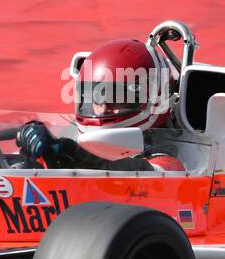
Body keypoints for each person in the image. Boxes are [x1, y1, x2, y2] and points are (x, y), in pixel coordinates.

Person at [15, 32, 189, 172]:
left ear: (156, 101)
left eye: (116, 97)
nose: (103, 107)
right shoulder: (71, 135)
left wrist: (67, 151)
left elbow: (147, 174)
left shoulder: (164, 158)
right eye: (96, 96)